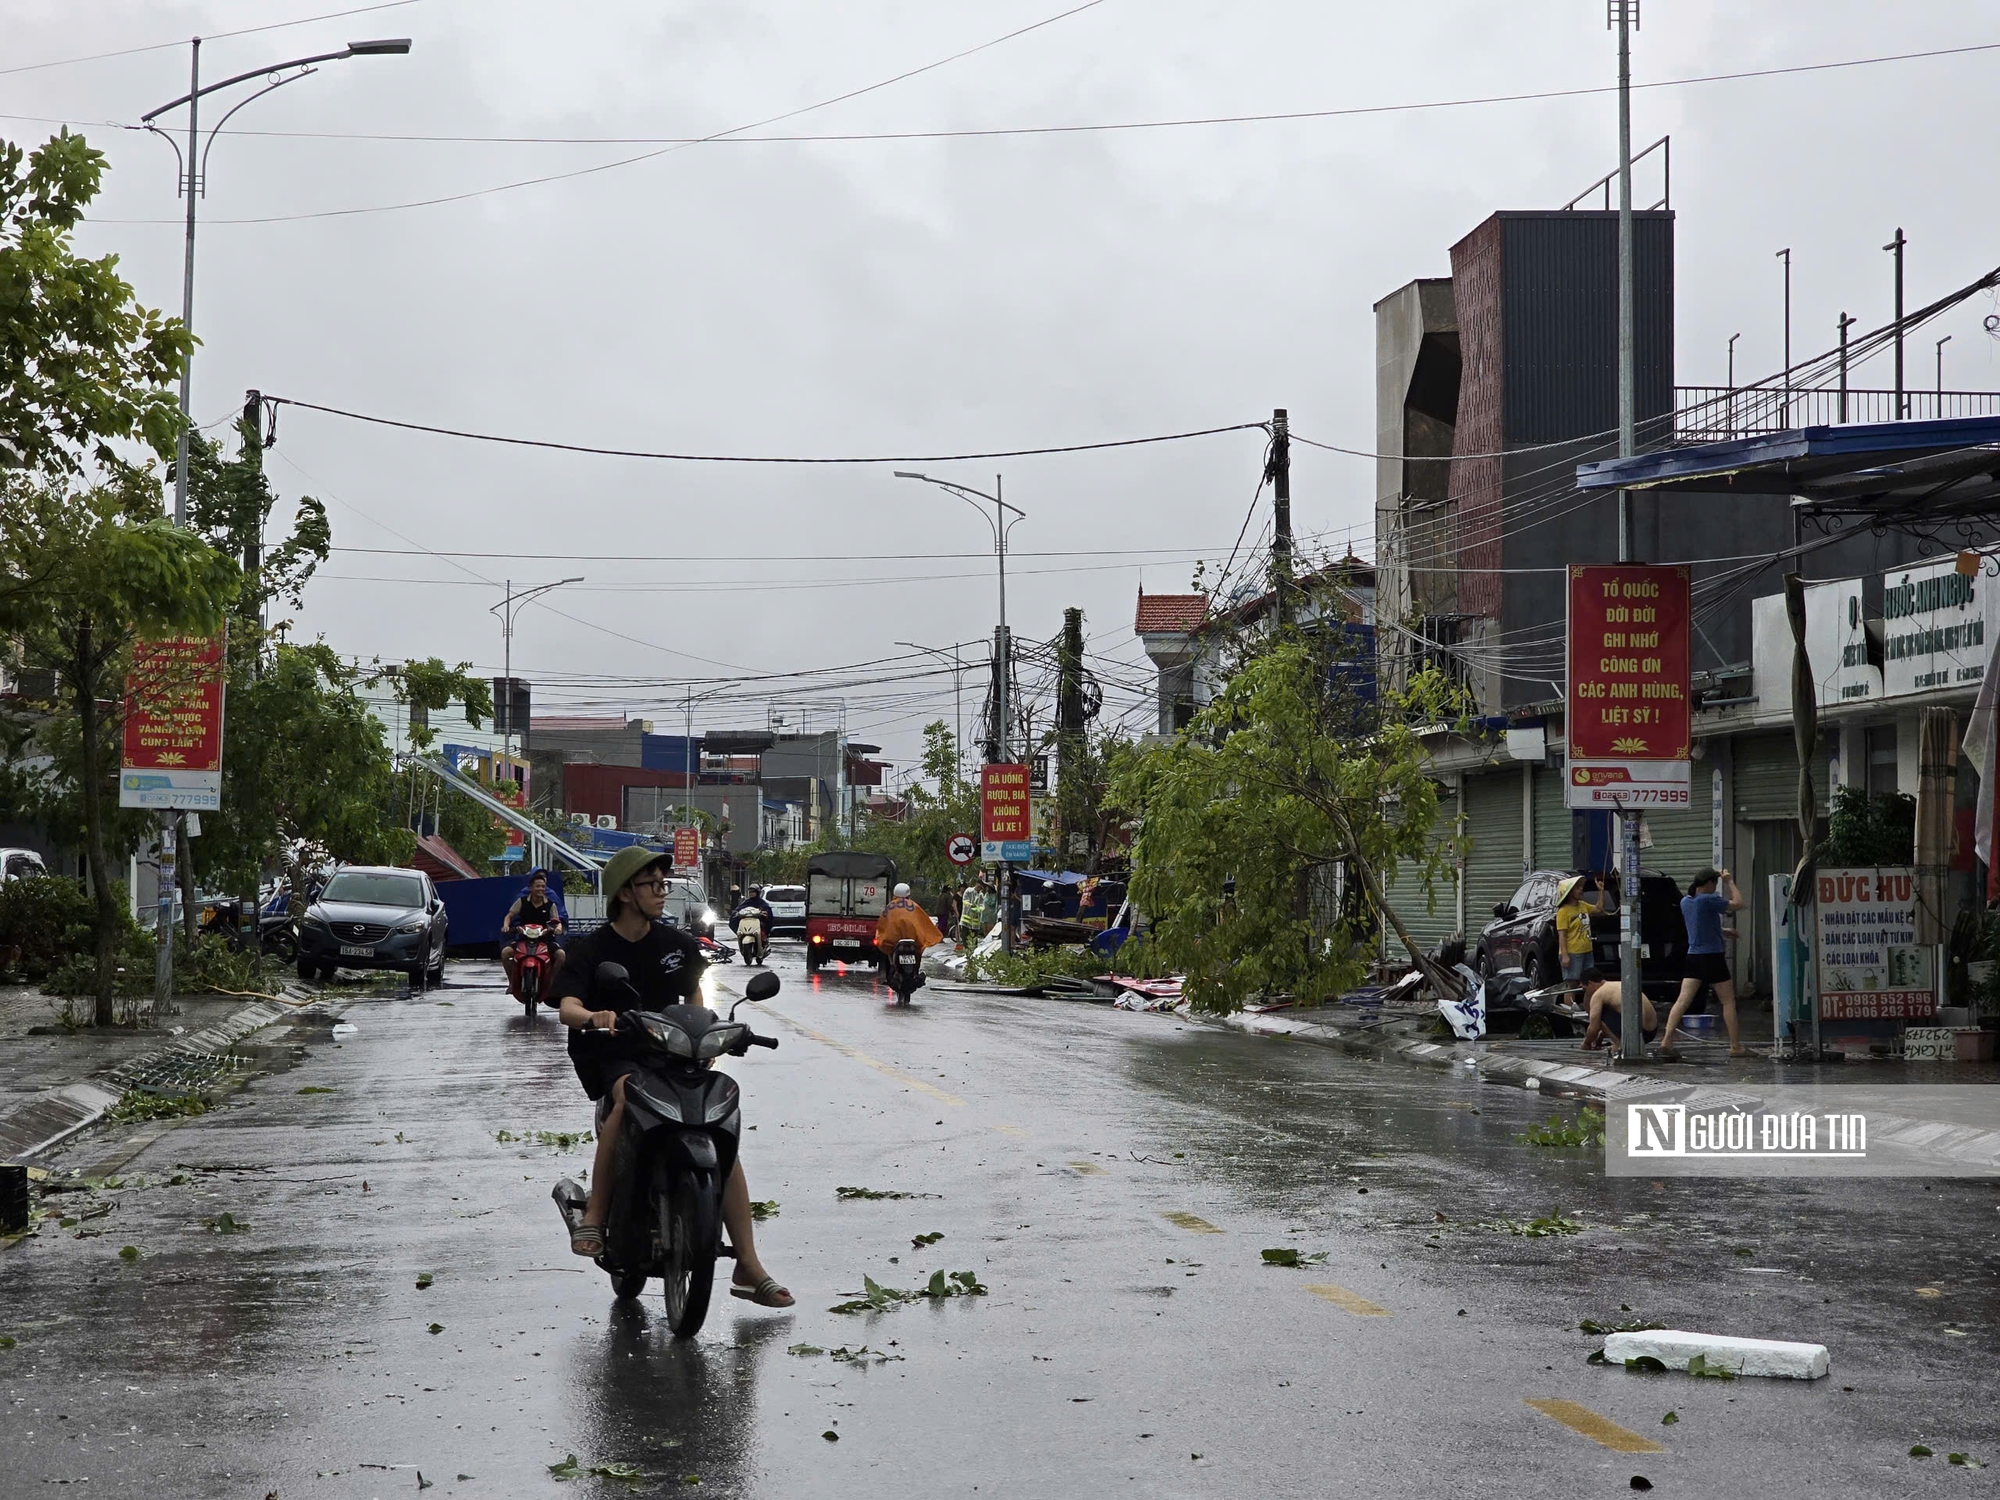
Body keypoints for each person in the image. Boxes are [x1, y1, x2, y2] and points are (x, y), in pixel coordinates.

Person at [554, 845, 791, 1307]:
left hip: (676, 1056)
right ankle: (595, 1216)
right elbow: (566, 1006)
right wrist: (593, 1017)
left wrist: (714, 1034)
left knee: (719, 1131)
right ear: (625, 893)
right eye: (654, 885)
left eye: (665, 884)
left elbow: (695, 1000)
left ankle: (747, 1265)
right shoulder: (593, 949)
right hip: (617, 1055)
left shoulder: (676, 945)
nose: (663, 893)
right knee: (627, 1098)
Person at [1661, 867, 1748, 1059]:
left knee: (1682, 1001)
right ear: (1709, 883)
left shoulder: (1686, 901)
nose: (1715, 887)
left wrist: (1723, 931)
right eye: (1715, 884)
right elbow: (1739, 903)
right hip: (1713, 956)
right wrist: (1729, 881)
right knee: (1728, 1001)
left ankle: (1666, 1040)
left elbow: (1700, 925)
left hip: (1694, 956)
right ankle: (1735, 1046)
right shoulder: (1708, 899)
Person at [501, 868, 565, 993]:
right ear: (530, 888)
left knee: (561, 956)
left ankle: (551, 982)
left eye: (543, 886)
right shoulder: (522, 901)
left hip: (545, 939)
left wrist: (557, 928)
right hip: (524, 938)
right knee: (505, 953)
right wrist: (506, 925)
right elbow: (509, 916)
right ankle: (511, 983)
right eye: (537, 886)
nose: (540, 889)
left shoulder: (551, 904)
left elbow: (557, 921)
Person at [1553, 873, 1609, 991]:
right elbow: (1562, 935)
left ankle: (1589, 1008)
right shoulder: (1563, 912)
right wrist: (1565, 956)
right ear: (1570, 893)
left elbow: (1598, 909)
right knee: (1571, 984)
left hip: (1587, 950)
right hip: (1573, 953)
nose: (1581, 889)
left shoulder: (1583, 905)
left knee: (1590, 983)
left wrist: (1600, 891)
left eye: (1580, 887)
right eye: (1577, 888)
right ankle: (1569, 1008)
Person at [1578, 970, 1658, 1051]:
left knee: (1600, 1016)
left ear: (1590, 983)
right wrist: (1600, 1037)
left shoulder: (1598, 994)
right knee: (1605, 1014)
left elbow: (1594, 1027)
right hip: (1652, 1032)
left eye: (1585, 989)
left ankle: (1619, 1045)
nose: (1586, 993)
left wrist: (1586, 1044)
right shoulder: (1618, 984)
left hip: (1639, 1033)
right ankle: (1621, 1042)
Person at [874, 882, 944, 957]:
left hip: (894, 941)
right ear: (908, 893)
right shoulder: (914, 906)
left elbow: (882, 924)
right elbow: (923, 922)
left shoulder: (889, 907)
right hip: (913, 940)